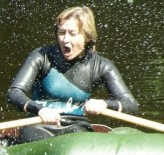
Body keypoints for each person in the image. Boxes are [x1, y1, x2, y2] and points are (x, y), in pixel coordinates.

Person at [7, 6, 139, 143]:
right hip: (39, 125)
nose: (65, 39)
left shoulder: (101, 65)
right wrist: (39, 109)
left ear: (87, 37)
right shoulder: (42, 56)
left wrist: (104, 104)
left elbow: (130, 104)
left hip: (77, 127)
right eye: (62, 32)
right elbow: (14, 93)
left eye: (72, 33)